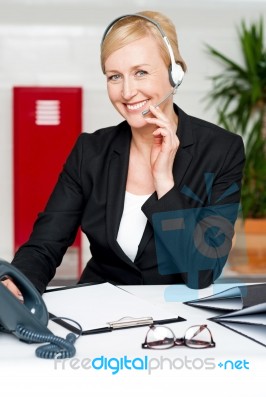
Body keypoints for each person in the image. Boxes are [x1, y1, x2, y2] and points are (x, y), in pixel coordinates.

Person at [3, 11, 245, 299]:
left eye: (140, 72)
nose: (128, 92)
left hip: (178, 319)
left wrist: (164, 180)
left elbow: (202, 272)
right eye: (114, 76)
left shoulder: (221, 150)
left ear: (175, 73)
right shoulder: (90, 151)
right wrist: (15, 286)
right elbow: (45, 244)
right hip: (99, 312)